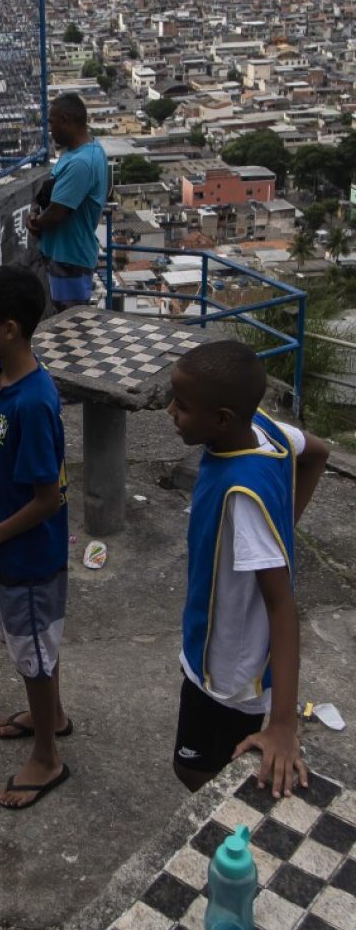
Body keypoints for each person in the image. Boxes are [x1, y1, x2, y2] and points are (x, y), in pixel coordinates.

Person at [167, 339, 329, 798]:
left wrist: (282, 724)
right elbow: (316, 452)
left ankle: (236, 835)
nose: (170, 413)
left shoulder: (242, 494)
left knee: (194, 770)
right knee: (208, 762)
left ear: (220, 419)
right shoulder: (261, 429)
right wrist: (284, 530)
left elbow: (282, 607)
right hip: (219, 647)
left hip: (228, 673)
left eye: (181, 406)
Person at [0, 265, 71, 811]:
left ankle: (47, 757)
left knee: (33, 651)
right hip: (11, 543)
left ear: (10, 328)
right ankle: (52, 714)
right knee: (39, 642)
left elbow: (47, 498)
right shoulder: (1, 380)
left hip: (26, 556)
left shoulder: (31, 401)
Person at [27, 93, 108, 311]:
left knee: (71, 325)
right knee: (64, 319)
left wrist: (36, 223)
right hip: (63, 253)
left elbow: (58, 212)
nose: (50, 130)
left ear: (65, 120)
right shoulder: (78, 153)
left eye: (52, 123)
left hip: (70, 257)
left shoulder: (82, 163)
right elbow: (51, 190)